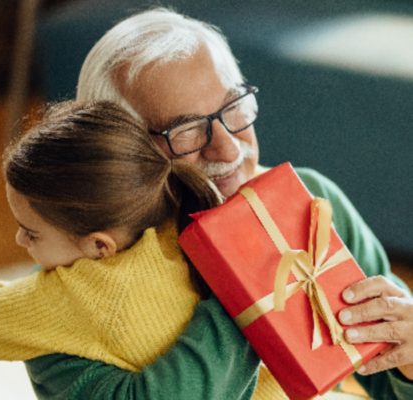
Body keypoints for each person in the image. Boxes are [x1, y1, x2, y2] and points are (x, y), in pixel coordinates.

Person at [24, 7, 413, 399]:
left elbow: (387, 377)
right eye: (187, 131)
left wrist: (408, 363)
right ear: (120, 152)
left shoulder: (313, 206)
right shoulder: (71, 290)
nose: (228, 148)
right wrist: (246, 283)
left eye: (233, 108)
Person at [0, 101, 223, 371]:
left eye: (31, 234)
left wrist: (42, 285)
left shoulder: (85, 297)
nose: (19, 239)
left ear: (99, 246)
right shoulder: (177, 215)